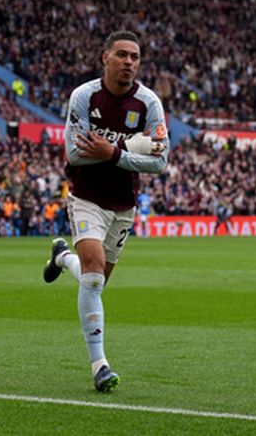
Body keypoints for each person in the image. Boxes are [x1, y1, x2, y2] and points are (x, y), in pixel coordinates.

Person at [41, 31, 168, 392]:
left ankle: (63, 257)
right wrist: (130, 150)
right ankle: (99, 365)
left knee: (94, 282)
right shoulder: (84, 97)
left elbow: (160, 162)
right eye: (122, 55)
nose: (129, 62)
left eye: (135, 57)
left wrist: (113, 150)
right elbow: (75, 153)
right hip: (86, 196)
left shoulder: (148, 103)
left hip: (124, 204)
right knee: (94, 277)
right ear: (105, 57)